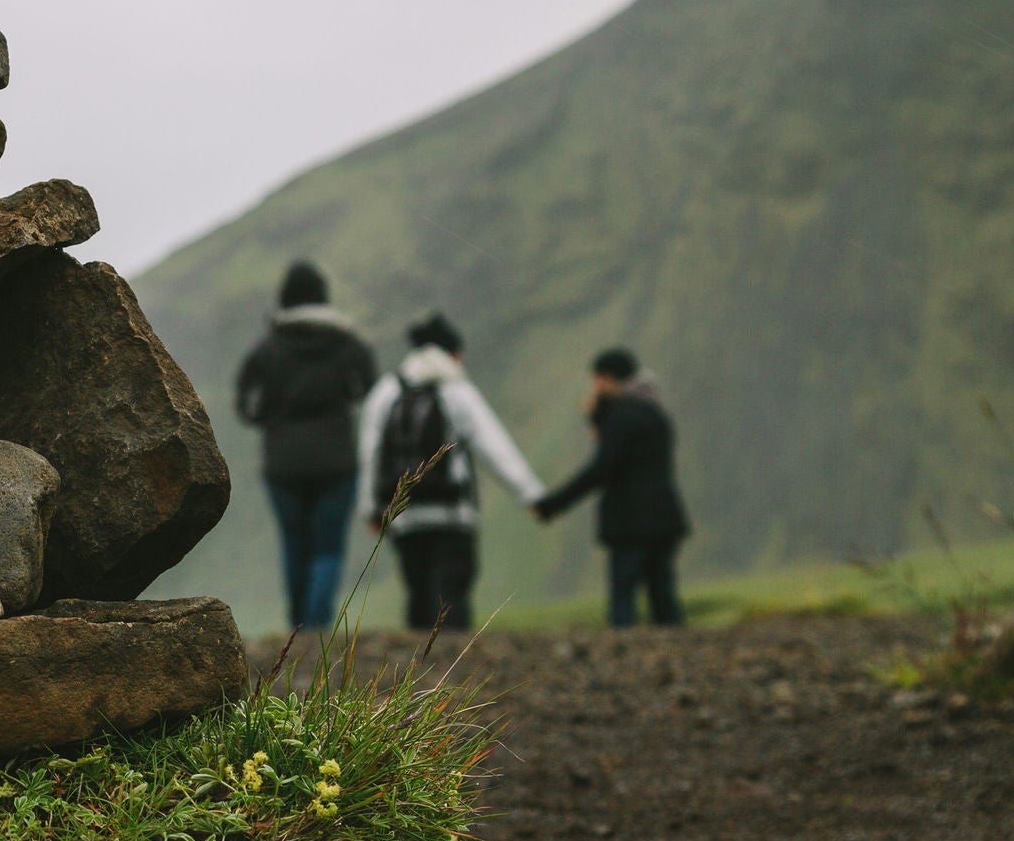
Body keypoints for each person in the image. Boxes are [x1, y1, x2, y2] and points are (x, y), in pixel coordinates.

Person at [359, 312, 544, 631]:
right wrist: (532, 494)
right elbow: (495, 446)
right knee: (451, 593)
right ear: (450, 352)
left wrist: (372, 509)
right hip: (453, 513)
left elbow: (370, 453)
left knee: (417, 590)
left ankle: (417, 668)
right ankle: (455, 666)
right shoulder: (457, 390)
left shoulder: (386, 392)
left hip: (406, 516)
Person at [236, 261, 378, 630]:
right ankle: (316, 627)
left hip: (282, 463)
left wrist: (267, 418)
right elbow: (370, 387)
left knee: (293, 544)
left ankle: (297, 626)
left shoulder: (267, 347)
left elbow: (245, 403)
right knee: (328, 546)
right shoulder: (346, 343)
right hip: (337, 460)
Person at [532, 347, 691, 627]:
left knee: (623, 599)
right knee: (663, 596)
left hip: (630, 523)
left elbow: (600, 470)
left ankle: (625, 658)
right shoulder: (656, 414)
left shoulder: (619, 419)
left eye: (599, 378)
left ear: (608, 379)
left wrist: (552, 504)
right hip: (664, 518)